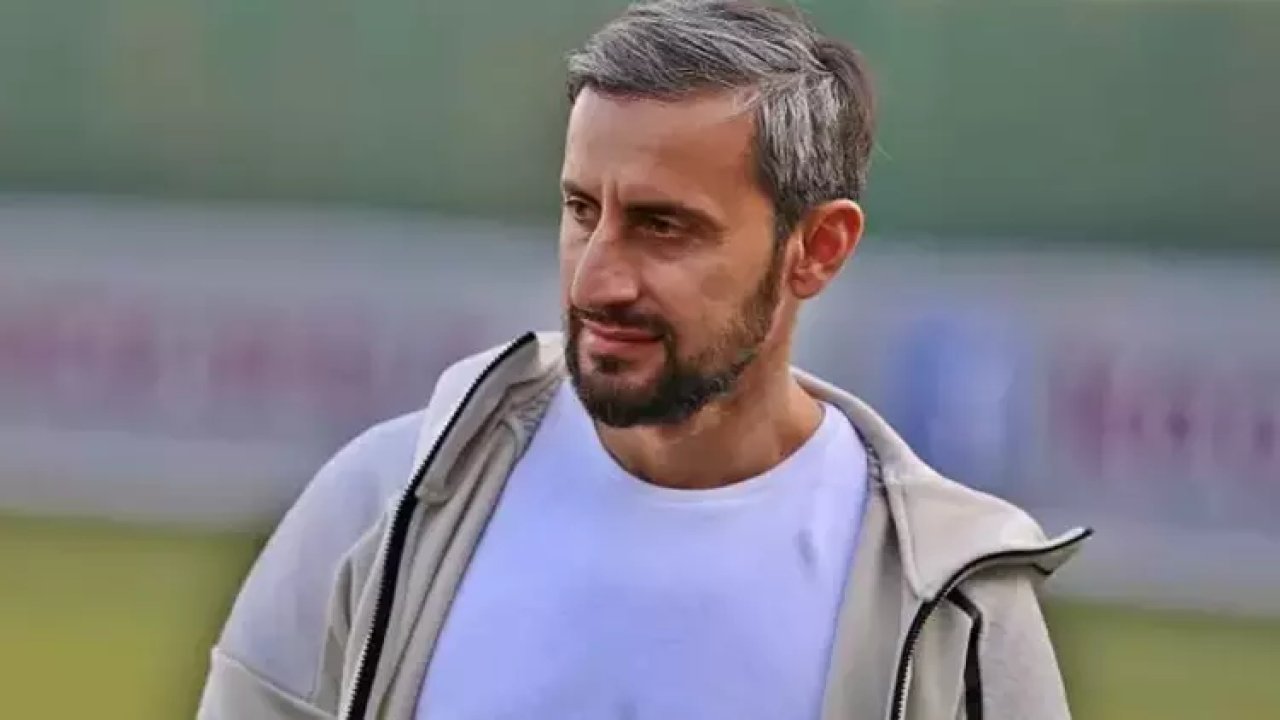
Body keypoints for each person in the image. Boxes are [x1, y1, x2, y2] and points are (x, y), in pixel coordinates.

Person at [198, 1, 1089, 718]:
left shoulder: (954, 606)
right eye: (582, 210)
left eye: (664, 227)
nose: (597, 279)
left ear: (817, 249)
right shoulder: (382, 506)